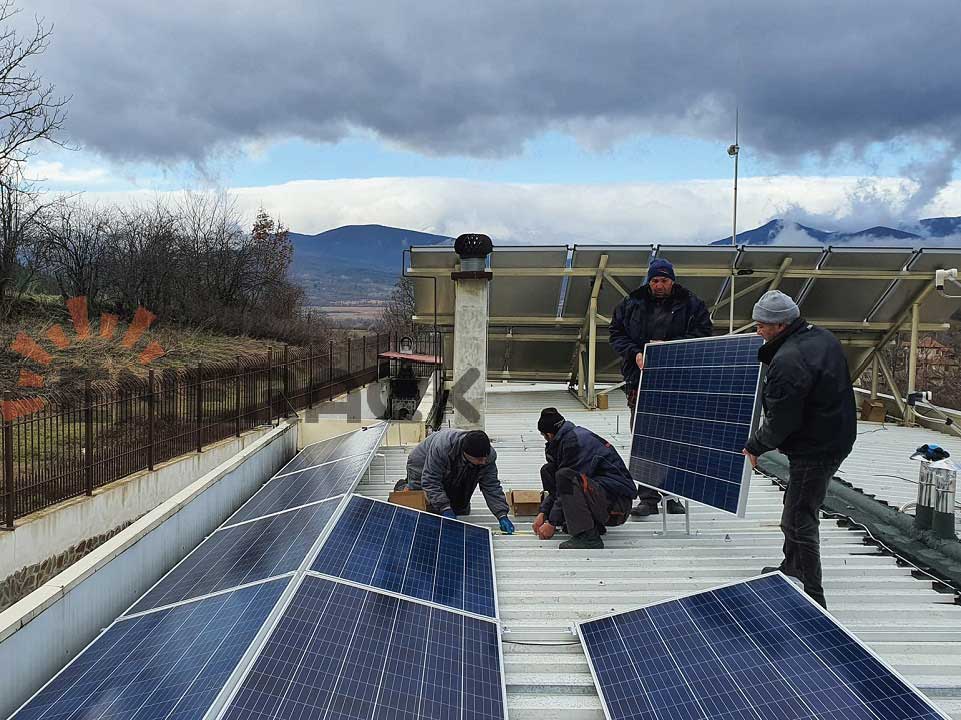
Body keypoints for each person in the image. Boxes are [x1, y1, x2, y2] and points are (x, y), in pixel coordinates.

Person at [742, 290, 856, 609]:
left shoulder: (789, 361)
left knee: (797, 518)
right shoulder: (821, 337)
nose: (758, 331)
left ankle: (812, 596)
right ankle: (791, 568)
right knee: (795, 503)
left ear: (780, 325)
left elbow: (782, 421)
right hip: (835, 435)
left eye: (762, 325)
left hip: (815, 446)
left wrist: (754, 446)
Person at [609, 257, 713, 516]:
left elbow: (704, 334)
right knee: (645, 437)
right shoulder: (632, 303)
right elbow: (616, 334)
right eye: (654, 280)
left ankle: (671, 494)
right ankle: (647, 497)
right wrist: (636, 353)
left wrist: (669, 349)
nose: (658, 285)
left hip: (677, 380)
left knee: (675, 437)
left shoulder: (691, 304)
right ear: (649, 280)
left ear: (672, 281)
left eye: (664, 280)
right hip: (641, 379)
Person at [532, 408, 637, 549]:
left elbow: (566, 485)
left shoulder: (575, 443)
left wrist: (552, 523)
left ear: (549, 435)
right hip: (602, 498)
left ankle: (588, 536)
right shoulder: (567, 438)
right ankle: (589, 525)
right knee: (549, 470)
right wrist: (543, 513)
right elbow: (556, 489)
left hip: (617, 506)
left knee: (565, 476)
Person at [400, 428, 515, 534]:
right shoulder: (443, 448)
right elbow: (431, 480)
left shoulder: (486, 457)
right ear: (466, 453)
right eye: (480, 459)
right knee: (423, 505)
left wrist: (501, 515)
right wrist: (445, 508)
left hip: (454, 464)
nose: (484, 462)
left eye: (485, 458)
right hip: (421, 463)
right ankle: (402, 487)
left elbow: (491, 486)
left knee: (459, 509)